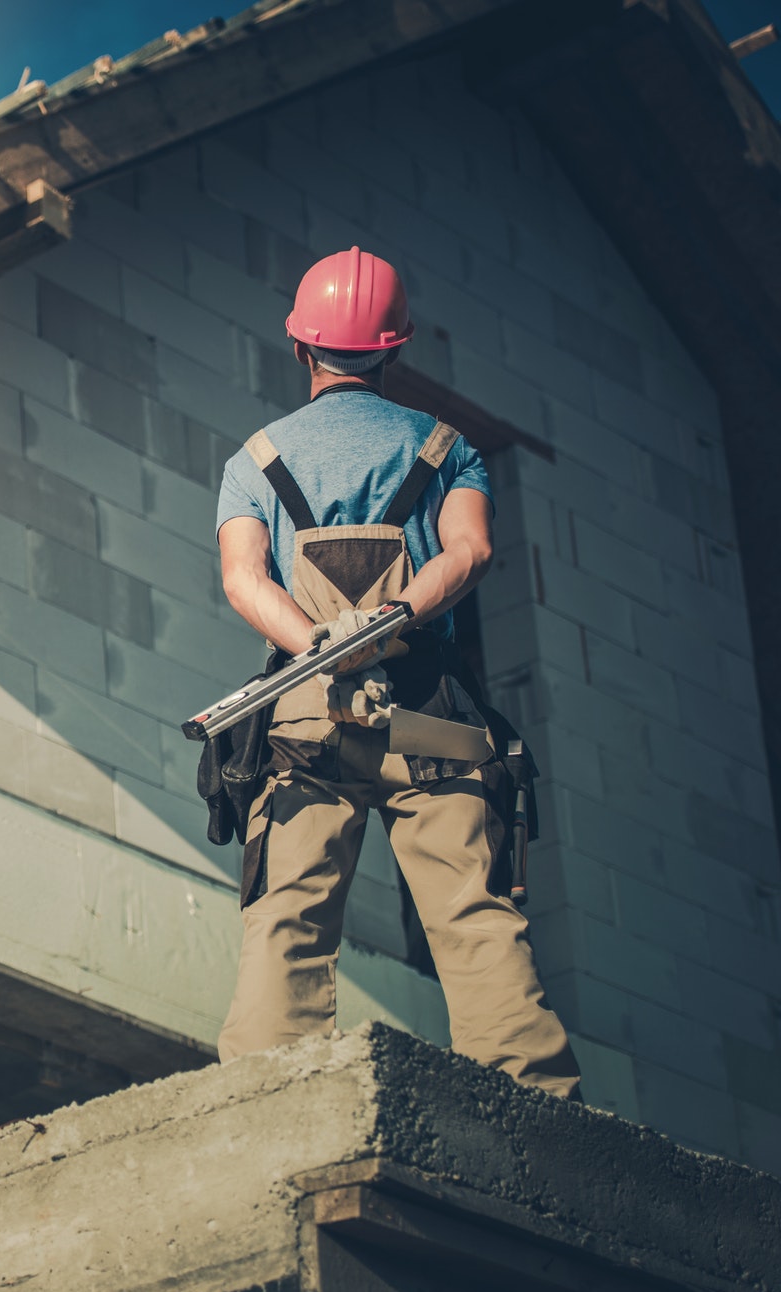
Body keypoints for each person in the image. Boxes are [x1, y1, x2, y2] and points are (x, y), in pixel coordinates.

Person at [210, 246, 580, 1099]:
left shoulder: (253, 461)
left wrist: (318, 646)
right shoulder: (448, 449)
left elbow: (242, 580)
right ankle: (543, 1110)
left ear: (301, 346)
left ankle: (264, 1103)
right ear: (391, 349)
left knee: (288, 916)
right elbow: (472, 550)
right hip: (431, 715)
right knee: (473, 916)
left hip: (303, 719)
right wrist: (396, 621)